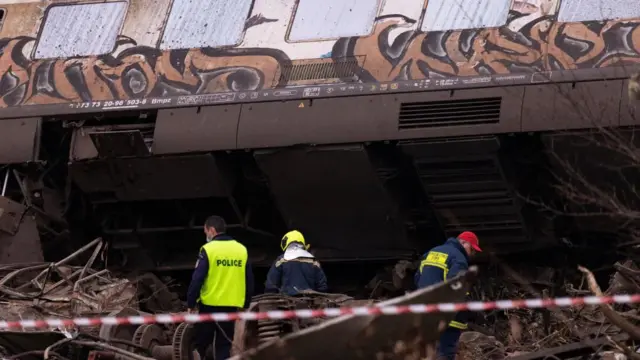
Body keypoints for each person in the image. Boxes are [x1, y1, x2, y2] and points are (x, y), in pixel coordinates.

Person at [187, 215, 254, 360]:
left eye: (206, 232)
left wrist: (191, 303)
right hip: (231, 306)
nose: (206, 235)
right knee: (224, 346)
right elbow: (249, 279)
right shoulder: (241, 249)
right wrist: (246, 303)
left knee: (201, 345)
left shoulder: (208, 249)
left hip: (209, 306)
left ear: (211, 230)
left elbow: (197, 279)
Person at [415, 231, 481, 360]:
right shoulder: (459, 258)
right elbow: (456, 287)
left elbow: (418, 278)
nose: (472, 254)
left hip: (424, 307)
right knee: (446, 350)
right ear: (463, 243)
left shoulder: (431, 252)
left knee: (427, 351)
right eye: (472, 249)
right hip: (445, 310)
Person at [265, 230, 328, 295]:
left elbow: (271, 285)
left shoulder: (281, 260)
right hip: (310, 302)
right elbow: (322, 286)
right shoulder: (313, 261)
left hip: (286, 302)